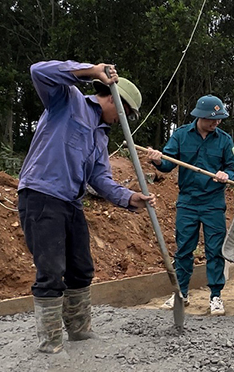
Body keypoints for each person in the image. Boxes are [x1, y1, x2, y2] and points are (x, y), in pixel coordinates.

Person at [18, 60, 154, 354]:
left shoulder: (100, 136)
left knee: (81, 268)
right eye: (126, 113)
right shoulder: (68, 101)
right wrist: (91, 70)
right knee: (51, 270)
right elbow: (38, 71)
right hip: (42, 196)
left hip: (71, 203)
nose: (123, 120)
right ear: (114, 100)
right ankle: (50, 340)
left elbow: (100, 178)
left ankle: (78, 330)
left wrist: (129, 198)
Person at [147, 95, 234, 316]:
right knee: (184, 250)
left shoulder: (224, 140)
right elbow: (168, 164)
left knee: (215, 250)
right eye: (211, 119)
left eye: (218, 119)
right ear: (200, 116)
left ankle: (216, 296)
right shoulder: (180, 136)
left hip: (213, 202)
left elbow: (233, 167)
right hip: (188, 202)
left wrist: (226, 174)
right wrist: (158, 159)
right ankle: (181, 294)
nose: (215, 123)